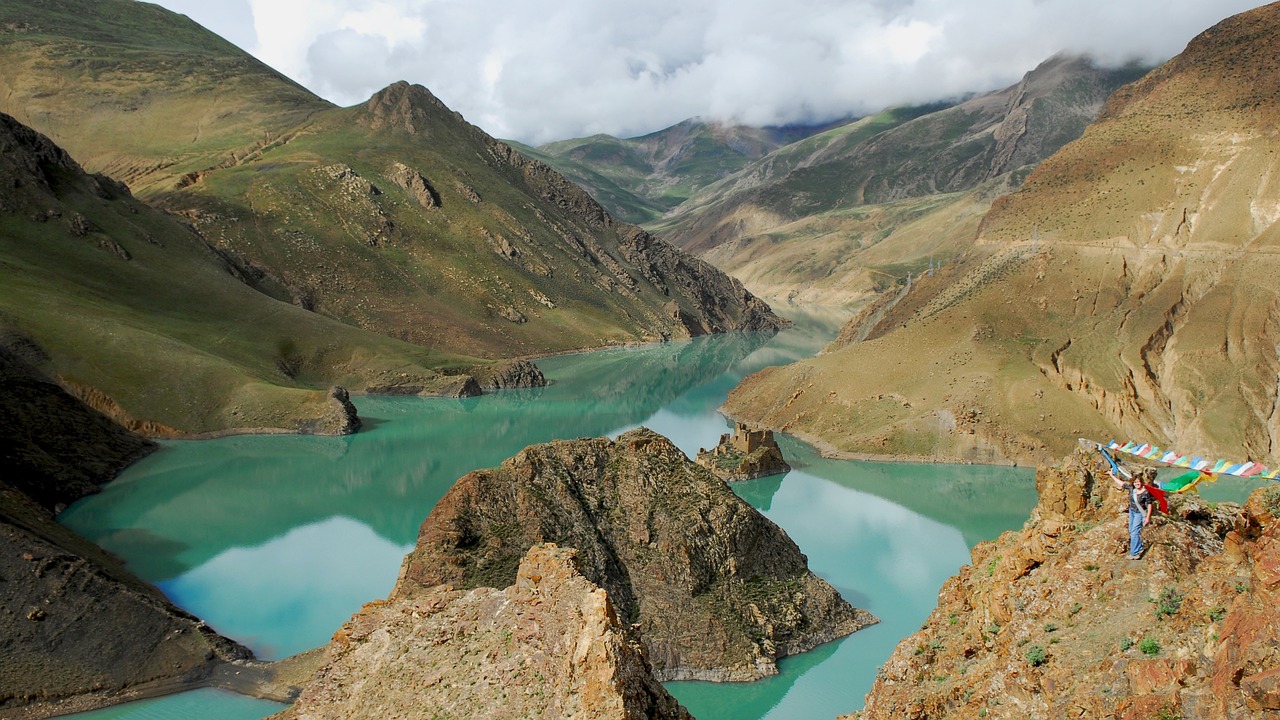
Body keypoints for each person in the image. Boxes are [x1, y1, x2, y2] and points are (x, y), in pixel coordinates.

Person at [1112, 468, 1156, 559]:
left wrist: (1147, 518)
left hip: (1139, 514)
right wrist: (1111, 475)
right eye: (1135, 482)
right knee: (1131, 529)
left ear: (1142, 482)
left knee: (1134, 532)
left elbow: (1149, 505)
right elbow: (1122, 483)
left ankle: (1134, 553)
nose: (1137, 484)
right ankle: (1139, 547)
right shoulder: (1132, 489)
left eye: (1138, 482)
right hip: (1132, 511)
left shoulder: (1145, 493)